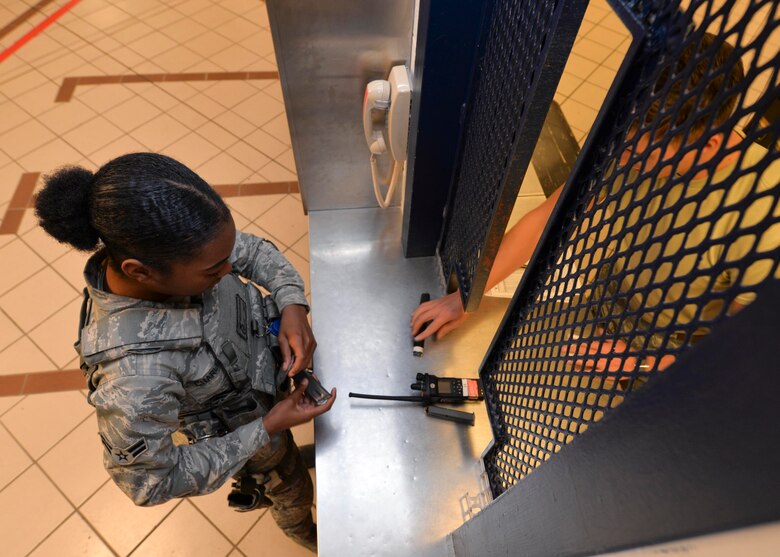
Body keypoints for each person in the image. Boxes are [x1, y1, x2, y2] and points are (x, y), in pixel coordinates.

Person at [412, 32, 779, 373]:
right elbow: (547, 218)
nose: (628, 156)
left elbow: (744, 349)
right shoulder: (636, 139)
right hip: (596, 315)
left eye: (649, 153)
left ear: (708, 144)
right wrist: (467, 297)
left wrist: (638, 362)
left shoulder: (760, 216)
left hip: (672, 364)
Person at [35, 152, 336, 553]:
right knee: (293, 491)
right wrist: (266, 428)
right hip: (249, 437)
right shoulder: (136, 377)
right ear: (139, 270)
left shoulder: (182, 250)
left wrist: (292, 305)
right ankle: (307, 535)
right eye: (214, 272)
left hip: (271, 378)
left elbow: (254, 253)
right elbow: (149, 481)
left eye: (227, 260)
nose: (229, 270)